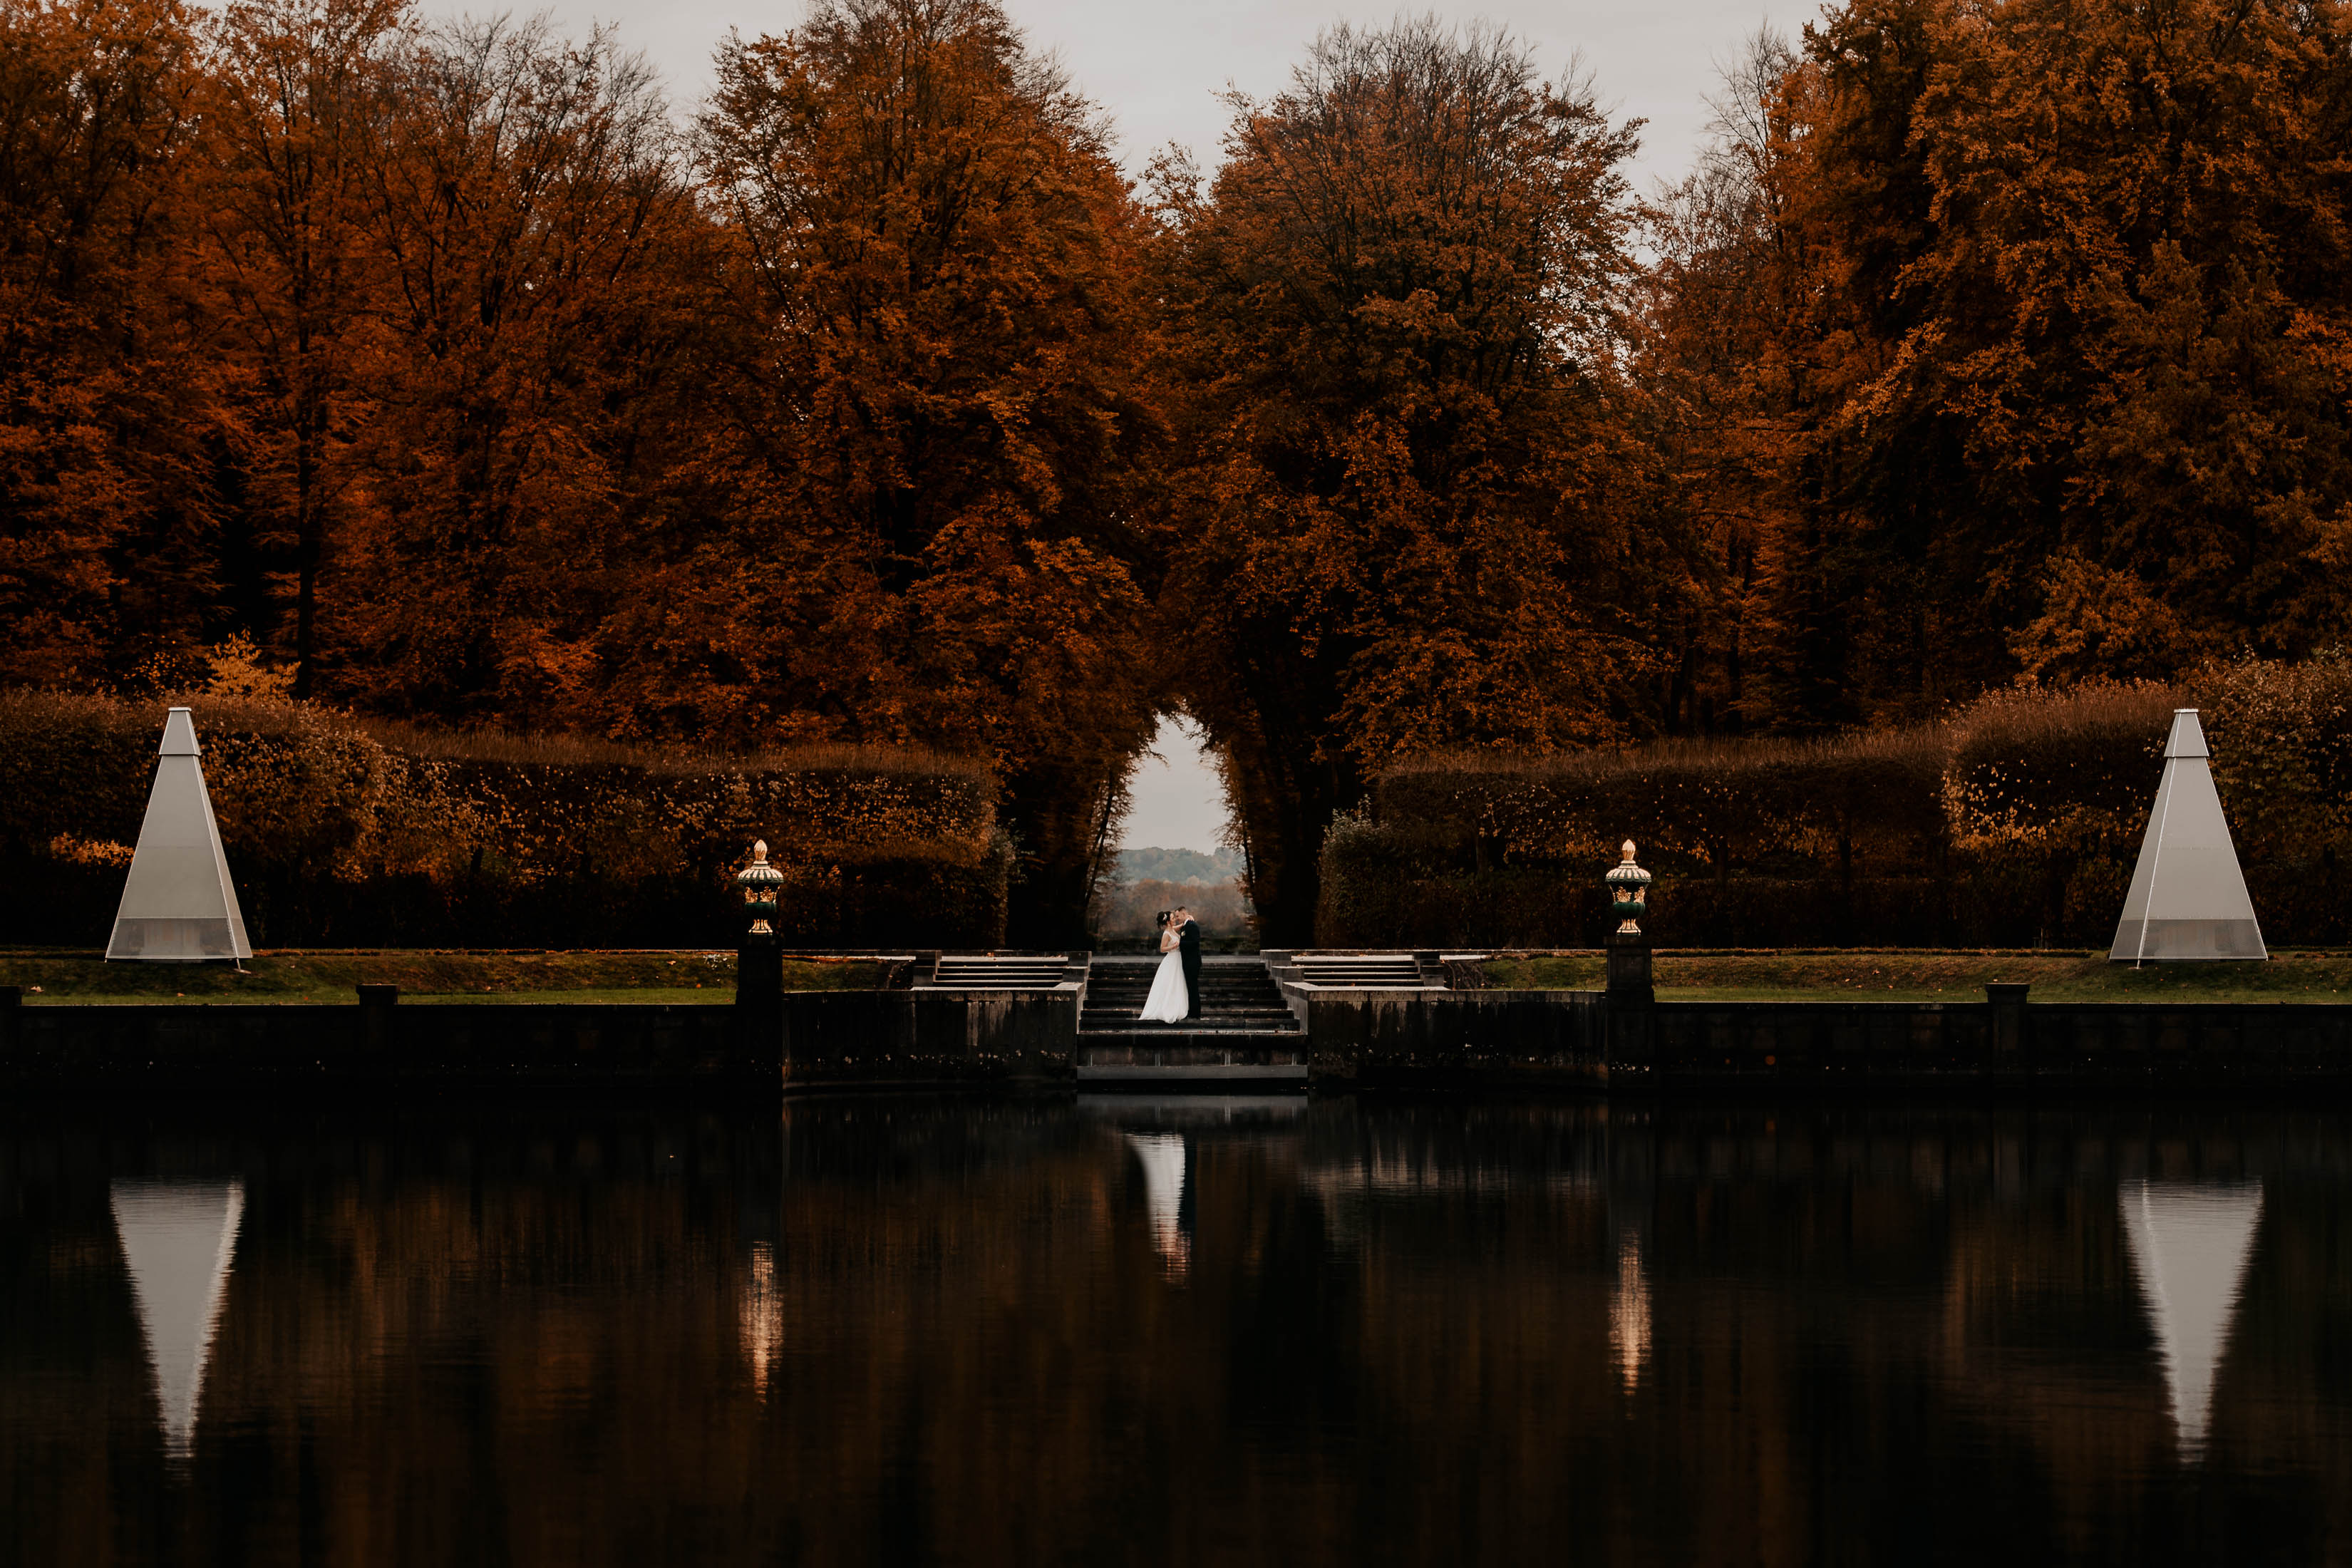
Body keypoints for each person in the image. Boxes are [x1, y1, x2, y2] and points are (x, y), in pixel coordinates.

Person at [1138, 909, 1190, 1023]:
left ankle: (1176, 1008)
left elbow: (1181, 926)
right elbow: (1162, 949)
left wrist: (1187, 920)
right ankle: (1167, 1010)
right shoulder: (1166, 934)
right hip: (1172, 960)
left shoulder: (1173, 930)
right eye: (1172, 918)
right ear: (1168, 922)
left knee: (1177, 985)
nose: (1174, 920)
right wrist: (1173, 947)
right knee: (1170, 985)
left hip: (1178, 960)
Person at [1175, 905, 1204, 1021]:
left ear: (1183, 914)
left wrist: (1180, 944)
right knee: (1190, 987)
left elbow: (1195, 942)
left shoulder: (1192, 925)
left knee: (1193, 988)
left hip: (1192, 962)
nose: (1177, 918)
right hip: (1188, 962)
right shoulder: (1186, 925)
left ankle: (1195, 1013)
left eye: (1178, 916)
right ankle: (1192, 1011)